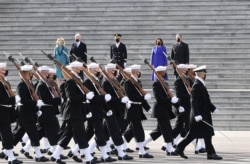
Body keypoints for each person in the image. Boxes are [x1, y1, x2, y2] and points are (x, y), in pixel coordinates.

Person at [175, 65, 223, 160]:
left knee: (203, 134)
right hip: (199, 115)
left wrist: (213, 108)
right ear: (201, 74)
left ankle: (180, 148)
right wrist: (197, 114)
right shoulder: (197, 85)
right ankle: (210, 153)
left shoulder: (200, 84)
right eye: (204, 73)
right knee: (201, 134)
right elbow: (194, 101)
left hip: (203, 114)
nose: (205, 75)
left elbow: (206, 100)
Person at [13, 64, 49, 162]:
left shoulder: (29, 83)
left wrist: (36, 109)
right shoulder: (22, 84)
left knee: (18, 134)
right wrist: (35, 103)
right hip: (24, 113)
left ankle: (5, 151)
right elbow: (23, 100)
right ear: (28, 73)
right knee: (34, 134)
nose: (32, 74)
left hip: (28, 112)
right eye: (31, 72)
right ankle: (38, 155)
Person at [143, 66, 180, 156]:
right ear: (160, 73)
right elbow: (159, 98)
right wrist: (170, 100)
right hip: (160, 111)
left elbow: (169, 95)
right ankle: (169, 149)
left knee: (160, 130)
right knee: (167, 130)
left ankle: (143, 144)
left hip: (165, 110)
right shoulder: (156, 84)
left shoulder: (164, 83)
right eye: (164, 72)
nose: (165, 73)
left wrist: (177, 105)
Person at [124, 64, 153, 159]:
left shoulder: (138, 82)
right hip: (132, 109)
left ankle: (115, 144)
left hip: (138, 108)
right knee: (138, 130)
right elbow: (131, 96)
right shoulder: (128, 82)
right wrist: (143, 97)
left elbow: (141, 97)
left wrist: (148, 107)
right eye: (139, 71)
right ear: (136, 72)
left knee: (132, 131)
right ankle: (141, 151)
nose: (140, 72)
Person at [0, 62, 23, 164]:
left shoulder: (3, 81)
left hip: (5, 111)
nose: (5, 71)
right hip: (1, 112)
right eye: (3, 70)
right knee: (6, 135)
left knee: (7, 135)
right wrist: (13, 99)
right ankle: (11, 158)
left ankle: (9, 155)